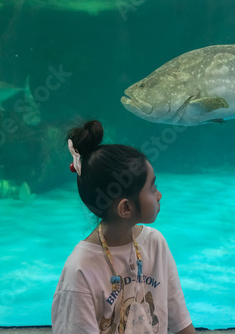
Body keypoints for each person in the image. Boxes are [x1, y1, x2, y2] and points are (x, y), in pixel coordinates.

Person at [52, 120, 196, 334]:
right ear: (126, 208)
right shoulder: (80, 270)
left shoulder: (155, 243)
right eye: (152, 187)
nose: (159, 195)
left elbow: (181, 323)